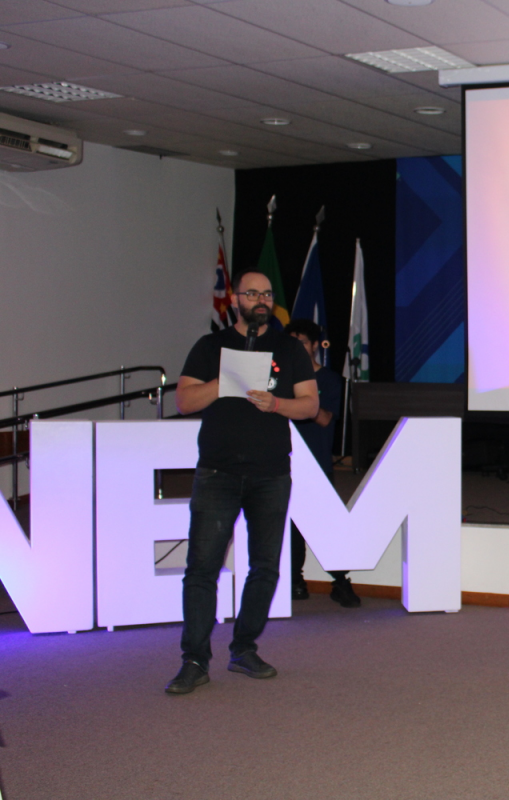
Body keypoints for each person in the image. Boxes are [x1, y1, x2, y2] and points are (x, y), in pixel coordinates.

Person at [166, 270, 319, 695]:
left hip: (271, 473)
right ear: (235, 299)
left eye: (267, 294)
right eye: (252, 293)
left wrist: (276, 403)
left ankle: (244, 648)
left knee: (265, 567)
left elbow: (310, 405)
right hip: (218, 472)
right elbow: (183, 401)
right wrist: (223, 382)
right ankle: (194, 660)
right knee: (202, 568)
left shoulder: (289, 349)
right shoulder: (210, 346)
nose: (261, 300)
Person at [284, 319, 359, 609]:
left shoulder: (328, 380)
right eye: (291, 343)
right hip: (283, 460)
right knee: (290, 526)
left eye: (302, 342)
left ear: (315, 345)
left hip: (316, 462)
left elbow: (326, 418)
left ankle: (340, 581)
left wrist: (298, 401)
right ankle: (295, 580)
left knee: (325, 526)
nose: (297, 348)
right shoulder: (279, 378)